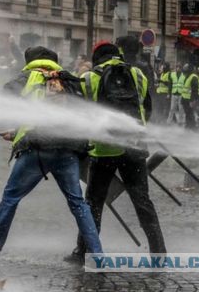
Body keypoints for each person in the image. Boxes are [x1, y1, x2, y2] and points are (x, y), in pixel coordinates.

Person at [0, 46, 103, 267]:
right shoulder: (67, 79)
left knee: (10, 199)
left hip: (38, 149)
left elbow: (5, 100)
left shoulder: (29, 76)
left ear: (31, 61)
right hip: (68, 149)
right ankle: (97, 256)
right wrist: (17, 132)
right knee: (78, 203)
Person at [69, 42, 166, 262]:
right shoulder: (138, 75)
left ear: (97, 58)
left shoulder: (89, 78)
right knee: (142, 201)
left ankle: (83, 251)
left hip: (104, 149)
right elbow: (147, 109)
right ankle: (159, 251)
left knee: (94, 201)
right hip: (135, 146)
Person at [180, 63, 199, 130]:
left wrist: (192, 100)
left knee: (190, 114)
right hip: (185, 99)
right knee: (187, 114)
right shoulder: (187, 76)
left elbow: (195, 90)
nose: (184, 69)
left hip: (189, 100)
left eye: (186, 68)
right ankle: (188, 126)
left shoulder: (193, 77)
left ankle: (192, 127)